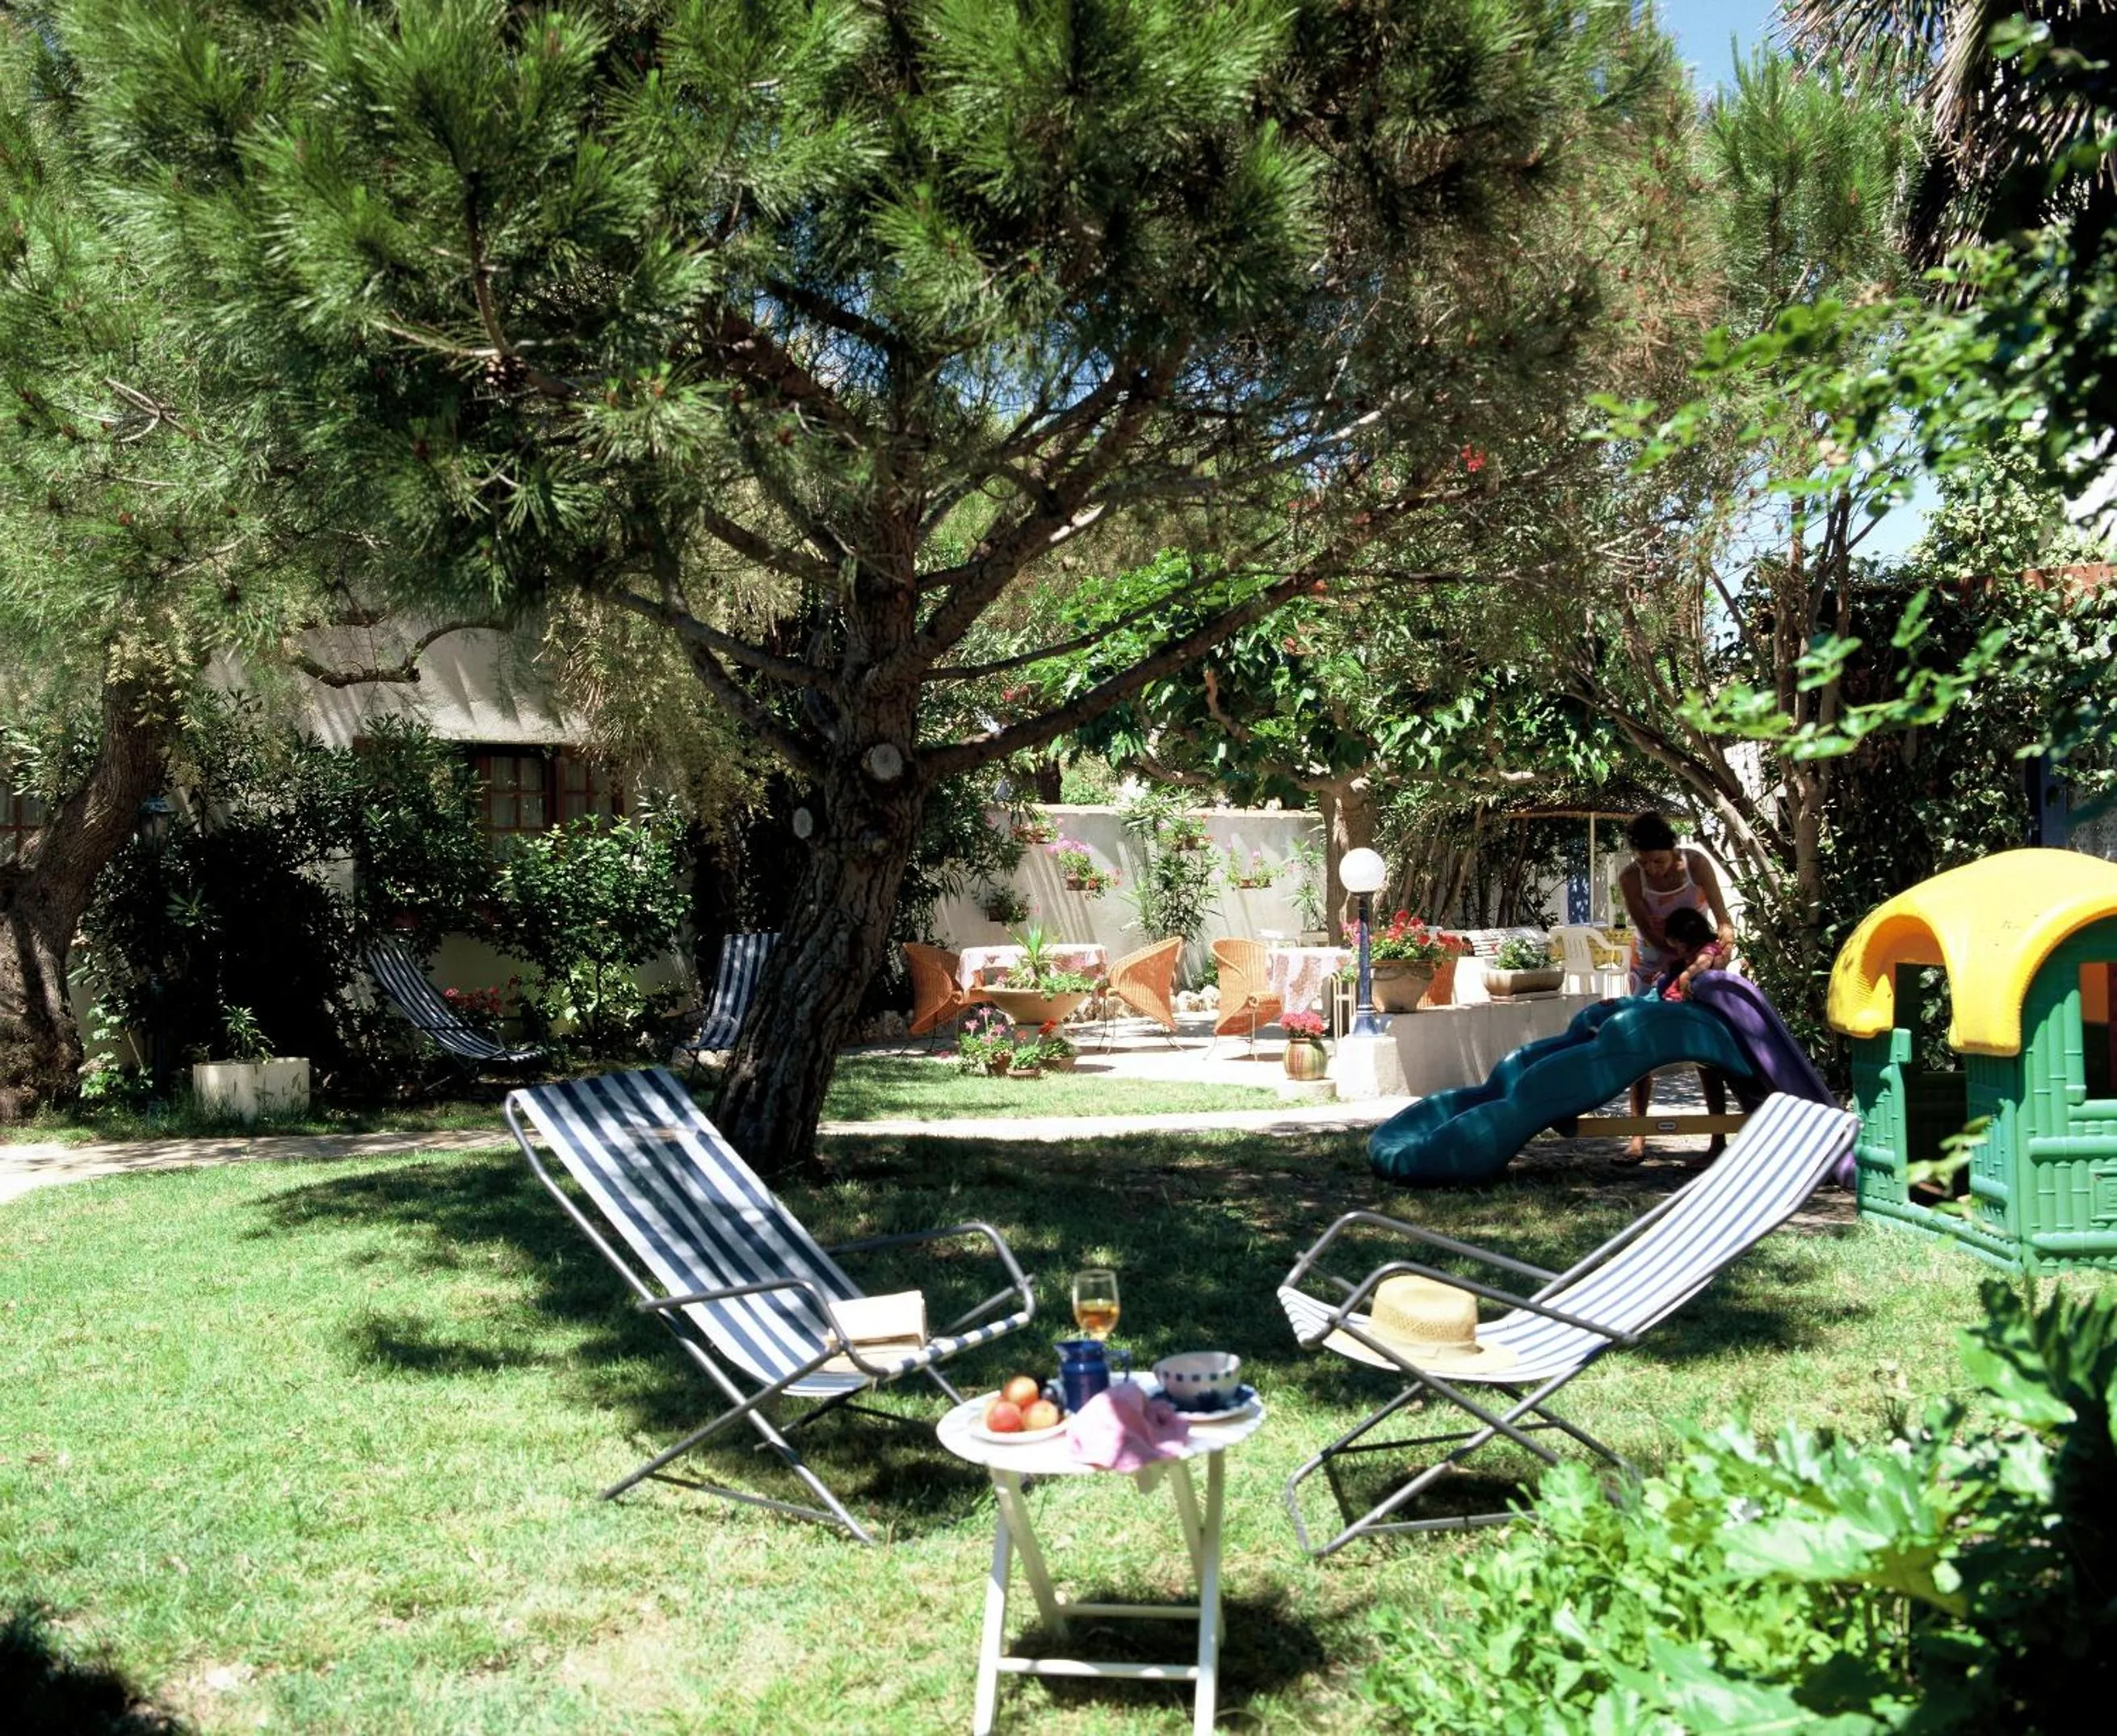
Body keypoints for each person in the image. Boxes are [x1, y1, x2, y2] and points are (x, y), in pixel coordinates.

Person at [1615, 811, 1737, 1163]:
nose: (1653, 868)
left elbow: (1723, 920)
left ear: (1673, 849)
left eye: (1659, 860)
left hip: (1695, 957)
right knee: (1640, 1046)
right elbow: (1650, 932)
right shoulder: (1631, 879)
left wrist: (1718, 952)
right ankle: (1637, 1138)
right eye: (1644, 861)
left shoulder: (1696, 864)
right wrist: (1675, 960)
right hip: (1653, 960)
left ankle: (1718, 1139)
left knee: (1705, 1047)